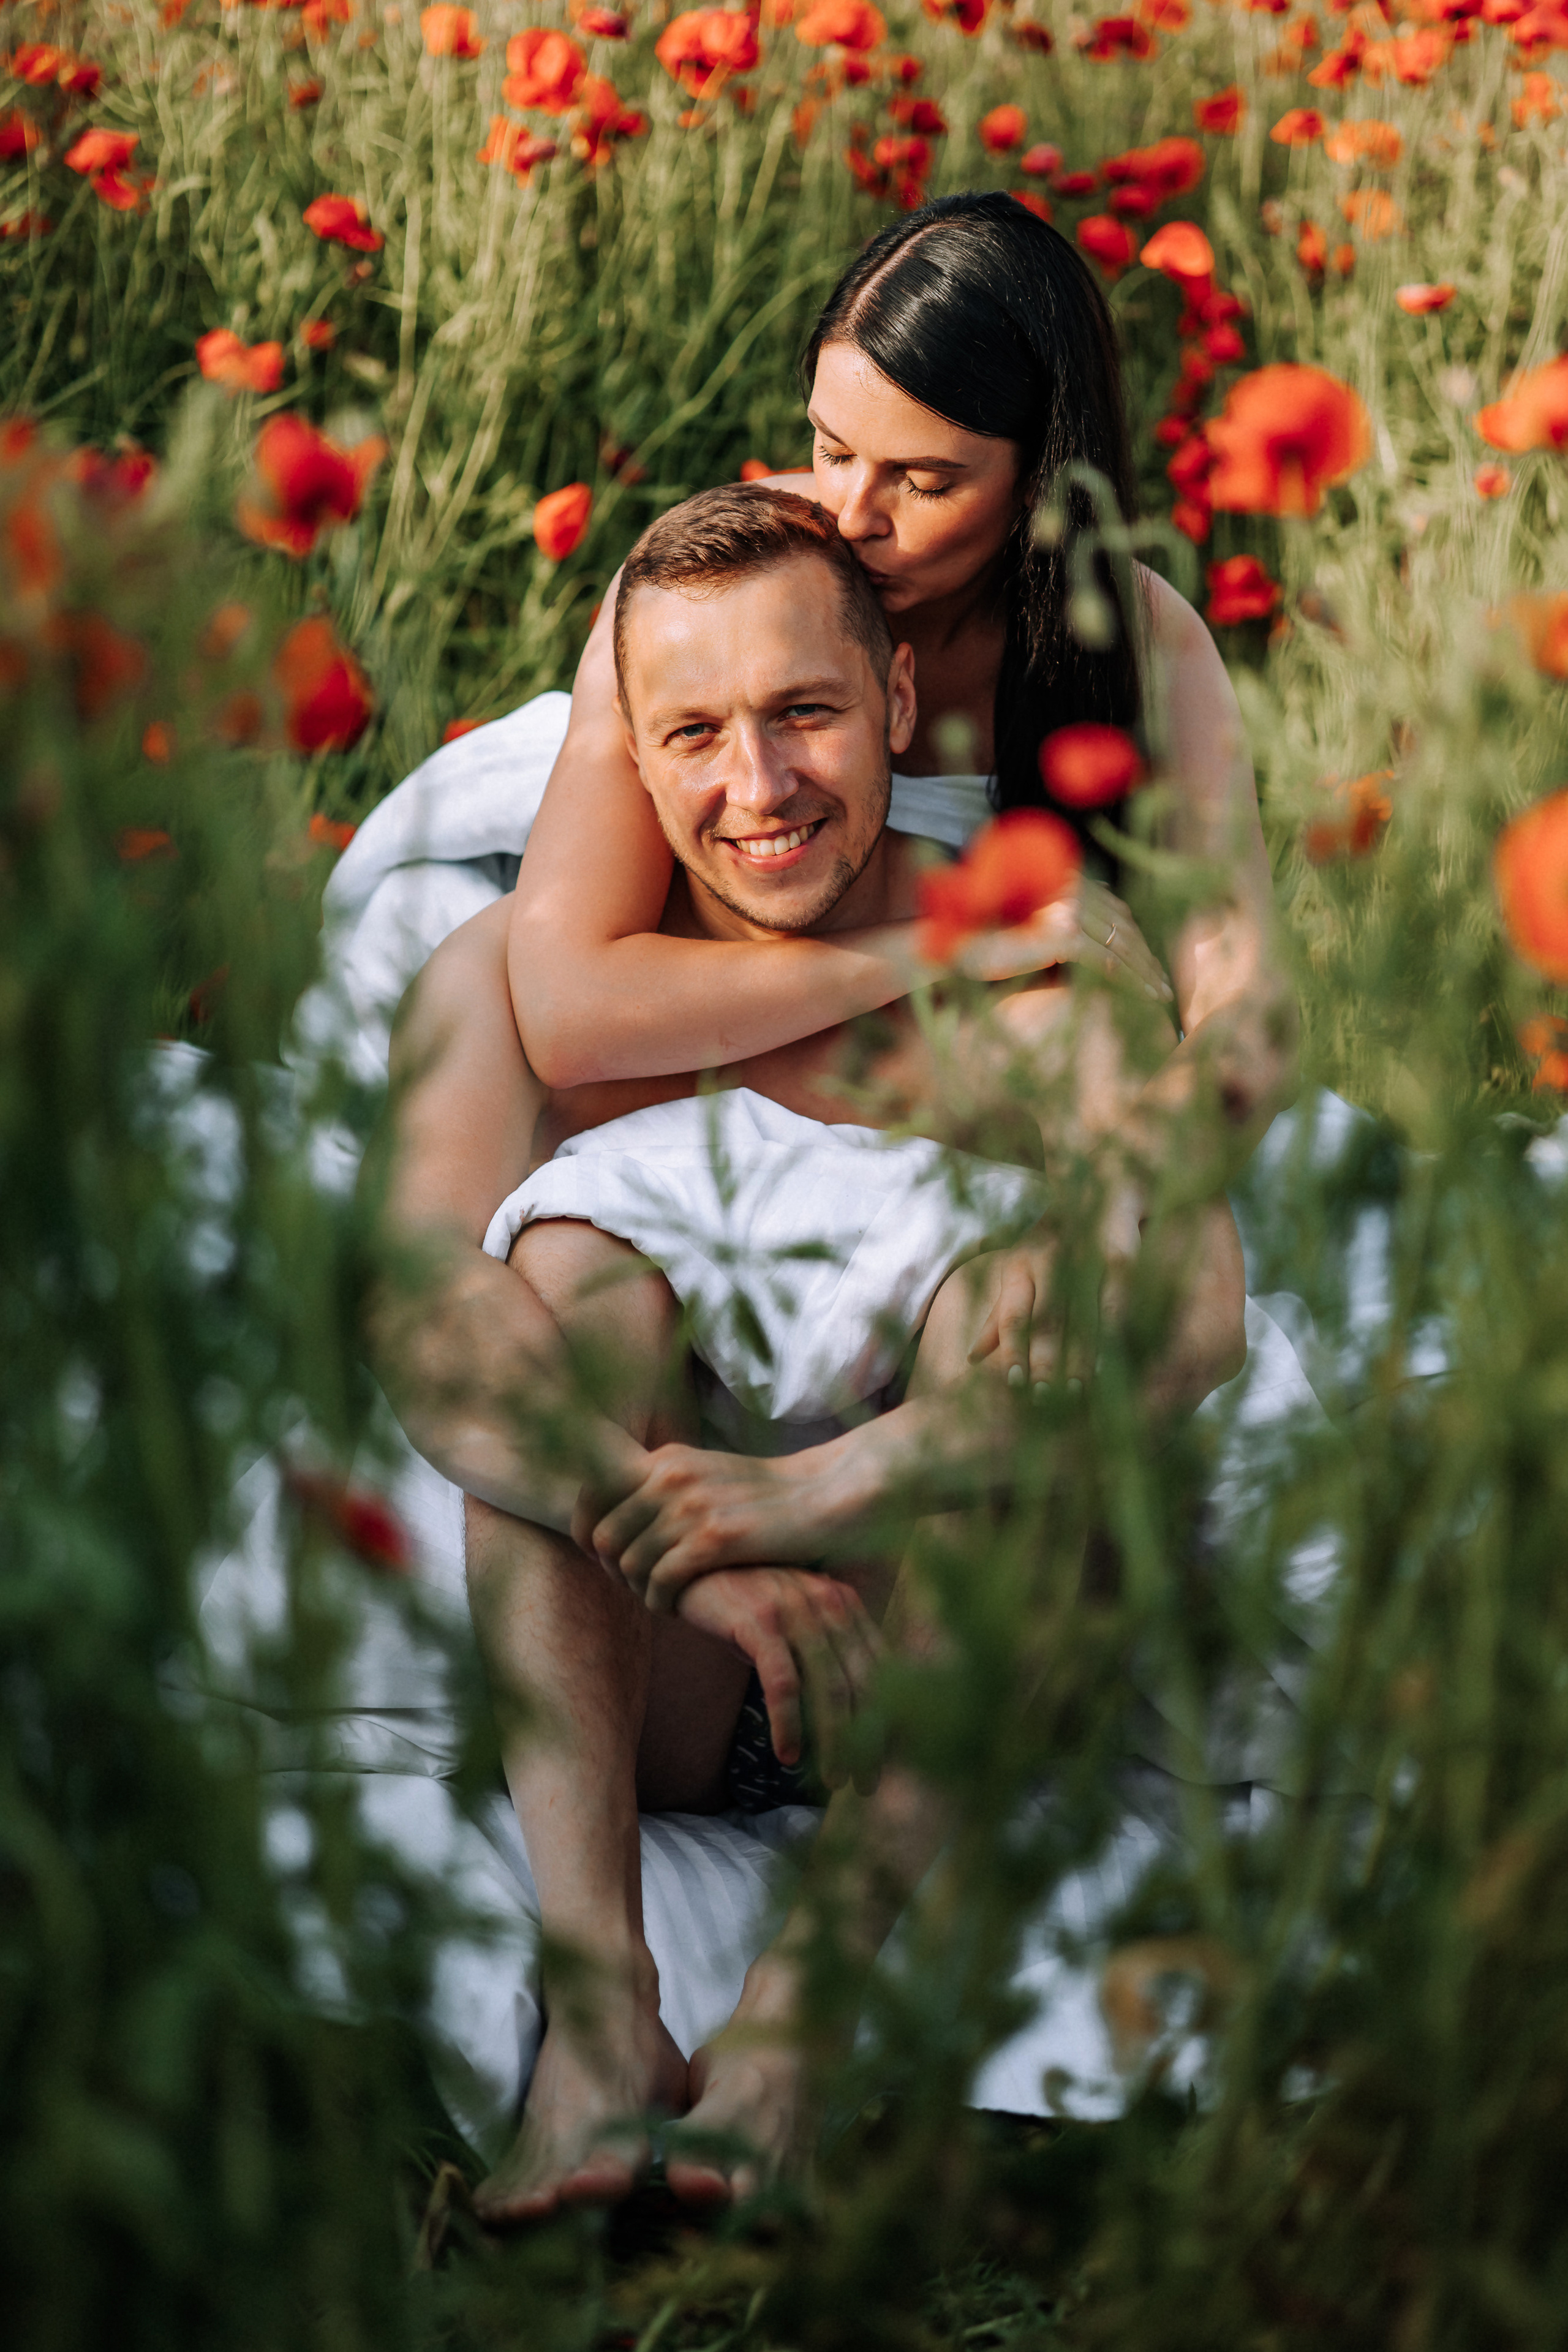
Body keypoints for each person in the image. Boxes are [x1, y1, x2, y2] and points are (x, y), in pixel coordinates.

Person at [375, 482, 1253, 2223]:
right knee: (565, 1289)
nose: (757, 791)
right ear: (630, 746)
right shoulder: (505, 990)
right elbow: (422, 1321)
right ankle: (605, 2029)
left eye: (803, 715)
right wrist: (686, 1548)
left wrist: (812, 1494)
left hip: (952, 1656)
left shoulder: (1033, 976)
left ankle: (791, 2041)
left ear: (898, 709)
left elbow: (1195, 1310)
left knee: (1025, 1286)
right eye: (693, 734)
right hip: (667, 1684)